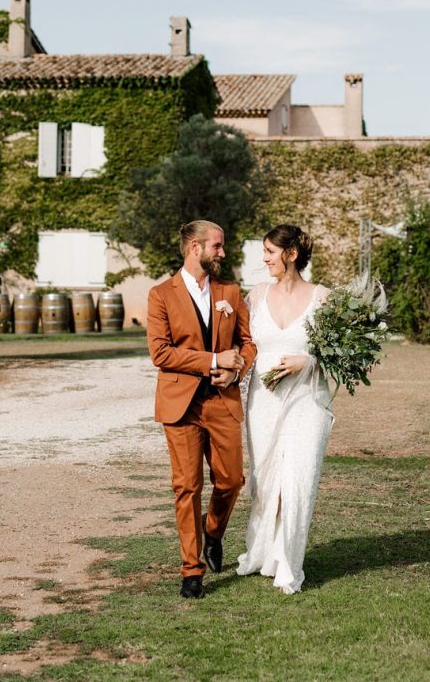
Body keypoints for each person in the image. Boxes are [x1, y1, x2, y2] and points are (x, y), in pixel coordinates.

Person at [147, 219, 256, 599]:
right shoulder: (161, 294)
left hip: (222, 402)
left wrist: (238, 366)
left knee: (231, 480)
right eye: (217, 246)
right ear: (195, 248)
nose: (222, 253)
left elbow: (247, 342)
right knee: (187, 487)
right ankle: (191, 571)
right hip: (181, 405)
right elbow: (160, 353)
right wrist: (213, 360)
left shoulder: (230, 291)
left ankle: (213, 531)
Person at [236, 223, 333, 595]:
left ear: (291, 255)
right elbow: (245, 343)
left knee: (297, 481)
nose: (264, 259)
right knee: (265, 480)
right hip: (263, 399)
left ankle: (289, 566)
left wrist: (306, 362)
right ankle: (262, 554)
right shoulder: (256, 295)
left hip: (307, 399)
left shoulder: (322, 297)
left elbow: (344, 355)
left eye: (270, 253)